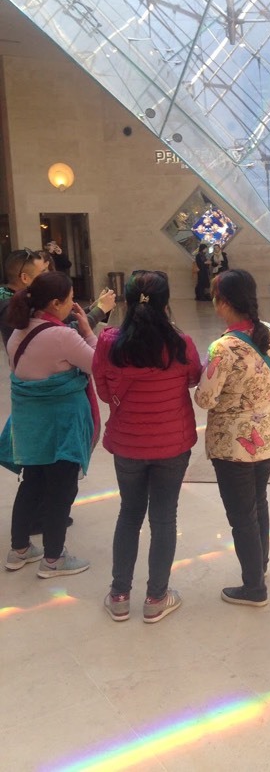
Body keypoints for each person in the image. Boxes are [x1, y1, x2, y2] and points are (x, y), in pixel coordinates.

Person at [93, 270, 202, 623]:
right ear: (166, 303)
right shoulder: (180, 343)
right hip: (173, 444)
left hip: (128, 444)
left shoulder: (109, 343)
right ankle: (156, 598)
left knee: (129, 513)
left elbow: (105, 391)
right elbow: (194, 379)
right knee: (163, 517)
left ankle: (120, 594)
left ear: (125, 302)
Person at [194, 269, 270, 606]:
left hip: (233, 443)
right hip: (267, 433)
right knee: (259, 501)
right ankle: (260, 566)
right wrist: (264, 398)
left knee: (241, 515)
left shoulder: (223, 348)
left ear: (223, 302)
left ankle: (254, 587)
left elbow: (205, 398)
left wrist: (238, 404)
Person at [1, 271, 98, 577]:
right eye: (70, 300)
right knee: (61, 491)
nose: (73, 305)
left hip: (31, 426)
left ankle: (19, 550)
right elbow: (98, 365)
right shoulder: (62, 336)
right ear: (56, 303)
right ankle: (53, 560)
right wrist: (87, 330)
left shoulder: (19, 331)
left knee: (32, 484)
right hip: (62, 427)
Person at [0, 249, 49, 348]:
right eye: (42, 272)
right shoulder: (12, 309)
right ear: (25, 278)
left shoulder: (13, 297)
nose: (47, 275)